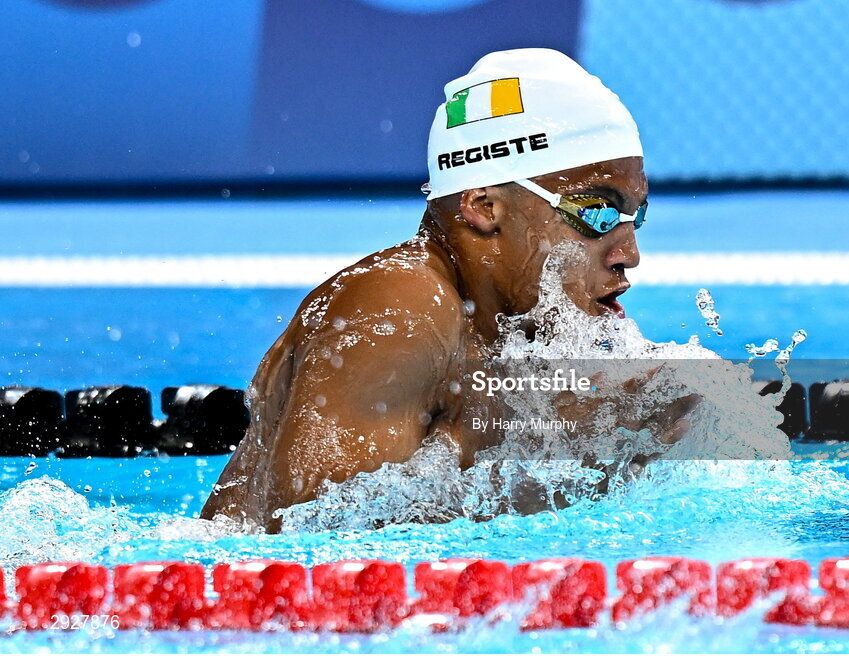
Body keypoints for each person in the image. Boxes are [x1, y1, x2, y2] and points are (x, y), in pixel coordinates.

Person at [201, 48, 697, 531]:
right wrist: (575, 452)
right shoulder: (400, 308)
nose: (628, 252)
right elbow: (311, 540)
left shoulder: (514, 327)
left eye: (636, 215)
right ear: (483, 207)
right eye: (596, 212)